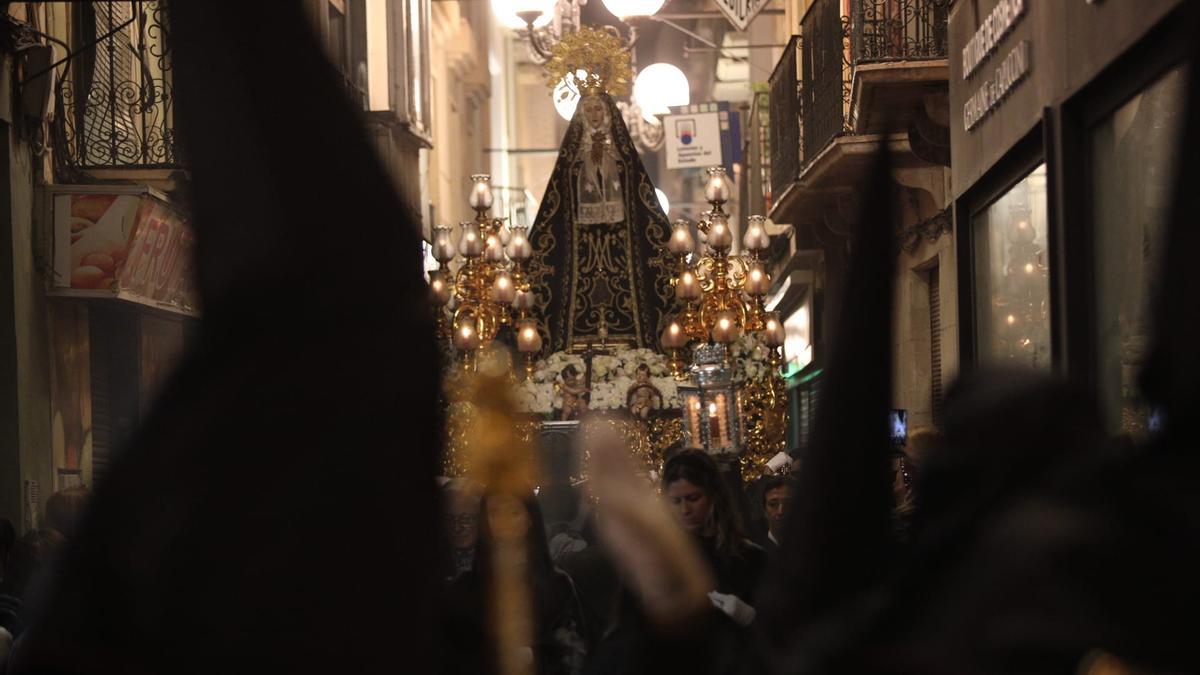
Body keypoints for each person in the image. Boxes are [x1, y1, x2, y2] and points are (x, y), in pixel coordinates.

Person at [443, 490, 591, 675]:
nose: (504, 522)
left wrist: (531, 655)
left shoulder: (556, 585)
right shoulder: (464, 588)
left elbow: (575, 654)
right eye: (494, 512)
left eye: (514, 512)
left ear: (530, 518)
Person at [662, 451, 766, 628]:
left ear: (713, 495)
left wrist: (752, 618)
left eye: (693, 498)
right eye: (675, 501)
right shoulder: (663, 559)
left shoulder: (751, 557)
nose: (685, 510)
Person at [758, 475, 794, 550]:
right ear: (764, 509)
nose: (780, 511)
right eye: (773, 504)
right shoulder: (754, 553)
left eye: (788, 504)